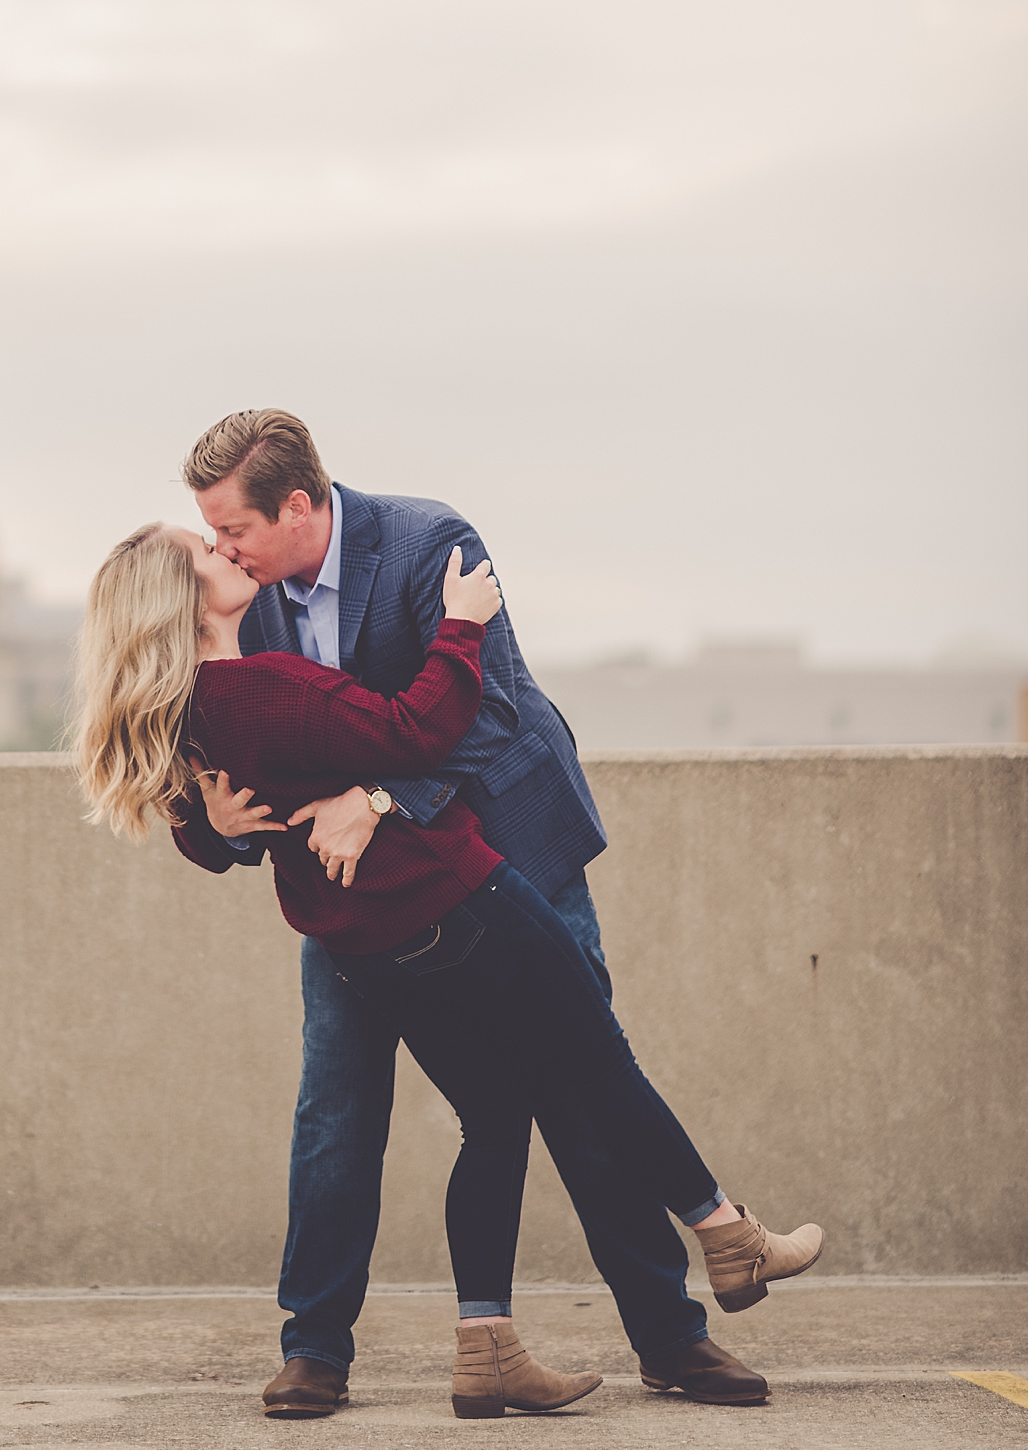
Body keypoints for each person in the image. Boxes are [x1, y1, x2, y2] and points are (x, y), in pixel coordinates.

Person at [75, 518, 825, 1422]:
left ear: (296, 503)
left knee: (501, 1118)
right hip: (458, 895)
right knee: (593, 1068)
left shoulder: (403, 555)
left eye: (227, 529)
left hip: (371, 933)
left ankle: (497, 1349)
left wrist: (235, 820)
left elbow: (220, 795)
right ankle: (726, 1233)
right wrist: (461, 626)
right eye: (210, 543)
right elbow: (416, 725)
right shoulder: (264, 668)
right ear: (186, 600)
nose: (225, 548)